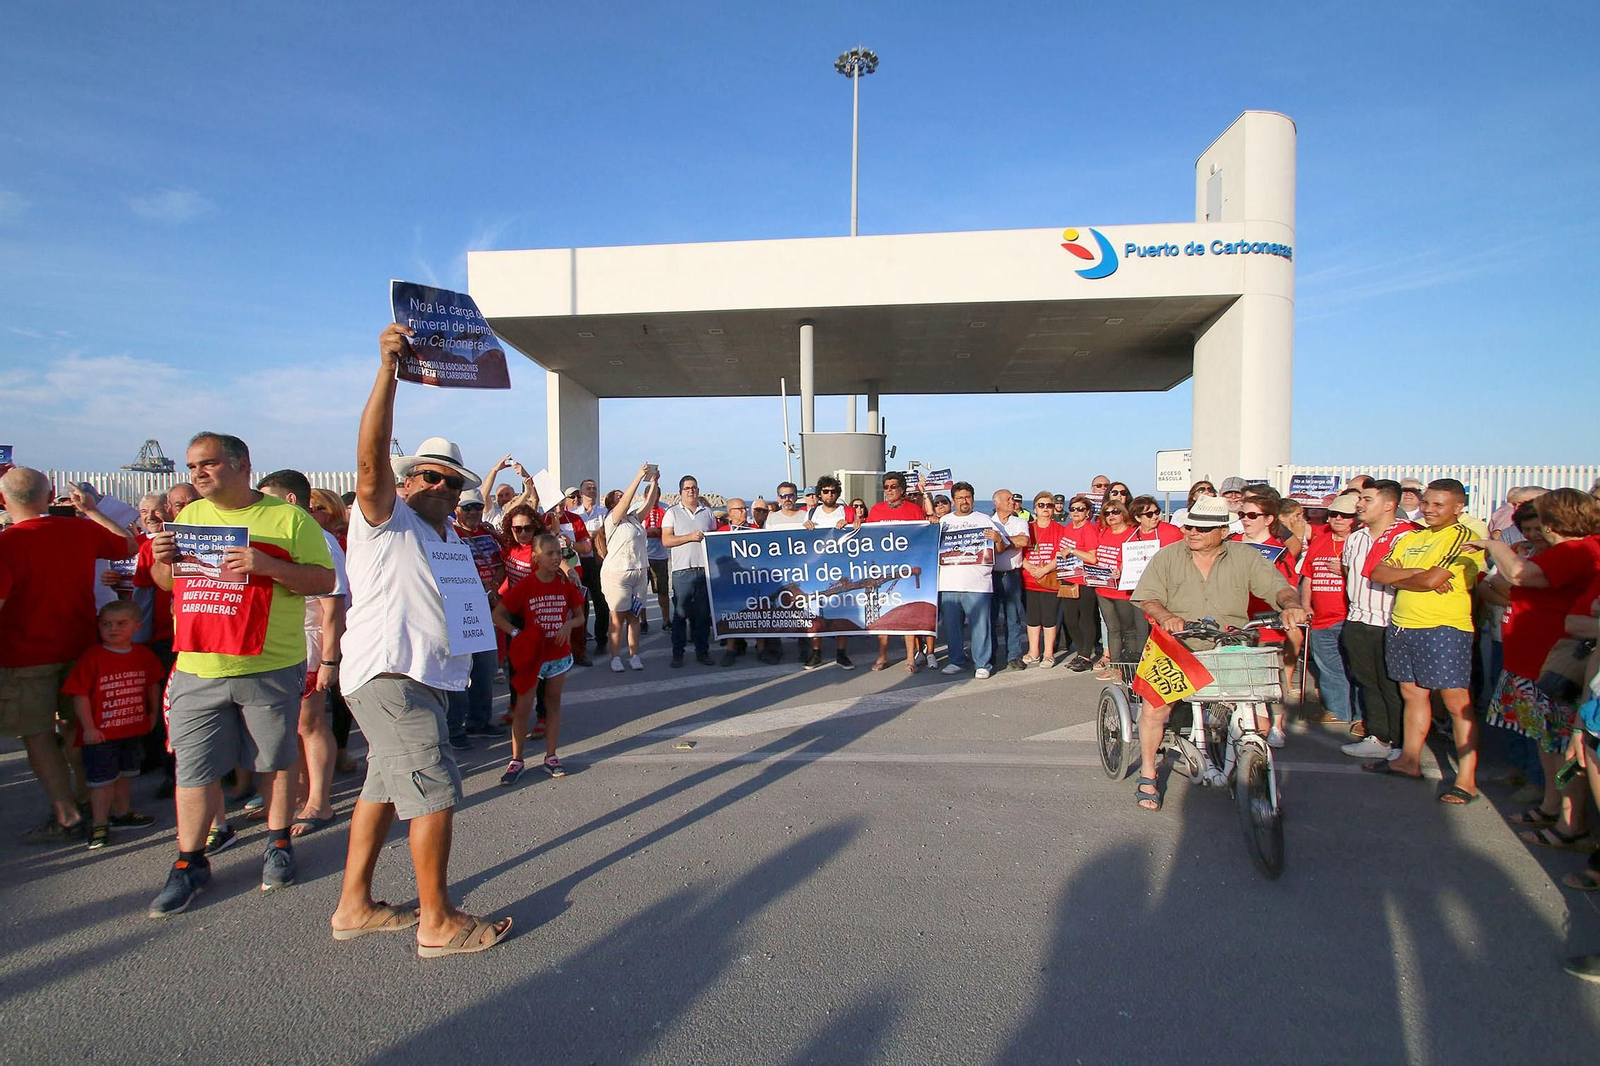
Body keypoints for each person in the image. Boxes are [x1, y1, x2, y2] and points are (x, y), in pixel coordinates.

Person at [328, 324, 511, 955]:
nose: (439, 487)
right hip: (391, 677)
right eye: (428, 476)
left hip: (423, 678)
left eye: (451, 482)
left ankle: (354, 905)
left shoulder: (449, 538)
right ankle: (437, 921)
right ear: (407, 482)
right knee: (434, 792)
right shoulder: (385, 518)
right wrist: (388, 372)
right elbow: (370, 460)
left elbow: (466, 607)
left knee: (382, 792)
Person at [145, 433, 334, 915]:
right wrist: (162, 563)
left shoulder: (289, 519)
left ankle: (278, 843)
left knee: (274, 760)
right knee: (194, 767)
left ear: (242, 464)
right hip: (197, 663)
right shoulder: (191, 516)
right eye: (192, 466)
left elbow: (324, 580)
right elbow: (168, 584)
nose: (197, 473)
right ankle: (189, 862)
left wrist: (268, 565)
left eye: (208, 463)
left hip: (269, 663)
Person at [1130, 496, 1309, 811]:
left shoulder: (1245, 556)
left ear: (1224, 531)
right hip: (1176, 644)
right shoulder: (1168, 556)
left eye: (1202, 528)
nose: (1192, 532)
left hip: (1230, 644)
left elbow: (1278, 587)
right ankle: (1148, 772)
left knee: (1260, 722)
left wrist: (1291, 605)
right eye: (1189, 526)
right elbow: (1148, 598)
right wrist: (1166, 616)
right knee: (1155, 708)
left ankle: (1250, 768)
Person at [0, 467, 137, 843]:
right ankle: (89, 801)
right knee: (76, 728)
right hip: (79, 646)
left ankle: (67, 813)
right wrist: (91, 509)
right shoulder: (79, 530)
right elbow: (127, 544)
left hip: (24, 656)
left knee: (38, 735)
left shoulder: (7, 543)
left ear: (4, 500)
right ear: (49, 497)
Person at [1474, 489, 1600, 843]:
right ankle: (1551, 806)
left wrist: (1492, 544)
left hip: (1555, 664)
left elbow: (1517, 574)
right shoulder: (1564, 551)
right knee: (1548, 743)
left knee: (1562, 748)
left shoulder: (1578, 550)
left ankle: (1571, 824)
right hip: (1534, 663)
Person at [1364, 479, 1487, 804]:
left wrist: (1409, 576)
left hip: (1443, 627)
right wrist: (1418, 574)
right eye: (1426, 503)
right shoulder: (1412, 537)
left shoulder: (1463, 537)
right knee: (1412, 694)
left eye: (1438, 504)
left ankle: (1466, 780)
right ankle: (1409, 760)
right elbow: (1377, 573)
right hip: (1403, 624)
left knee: (1456, 702)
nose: (1429, 510)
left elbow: (1433, 580)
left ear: (1458, 507)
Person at [255, 469, 350, 839]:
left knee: (310, 723)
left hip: (310, 641)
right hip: (283, 640)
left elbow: (333, 604)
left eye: (268, 499)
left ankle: (319, 802)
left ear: (291, 500)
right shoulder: (285, 534)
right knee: (291, 725)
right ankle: (296, 792)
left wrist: (329, 659)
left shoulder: (318, 539)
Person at [63, 600, 164, 850]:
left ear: (137, 626)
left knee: (126, 775)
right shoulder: (92, 657)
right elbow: (80, 695)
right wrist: (88, 728)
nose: (113, 629)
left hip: (131, 728)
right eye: (106, 624)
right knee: (102, 781)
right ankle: (99, 823)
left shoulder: (143, 654)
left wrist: (153, 714)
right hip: (102, 734)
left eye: (121, 624)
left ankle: (122, 813)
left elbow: (153, 685)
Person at [493, 532, 585, 783]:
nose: (556, 558)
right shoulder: (526, 585)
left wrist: (568, 625)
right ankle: (516, 759)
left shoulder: (565, 584)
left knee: (552, 703)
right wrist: (517, 633)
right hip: (532, 655)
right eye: (550, 553)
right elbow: (498, 615)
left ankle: (551, 756)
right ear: (536, 557)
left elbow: (580, 616)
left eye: (559, 553)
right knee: (523, 706)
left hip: (558, 654)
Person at [1338, 480, 1419, 758]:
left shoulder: (1406, 537)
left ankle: (1401, 743)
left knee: (1392, 685)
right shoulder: (1355, 538)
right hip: (1358, 619)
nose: (1359, 504)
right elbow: (1347, 572)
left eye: (1367, 499)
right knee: (1367, 682)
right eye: (1360, 498)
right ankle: (1378, 737)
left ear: (1388, 505)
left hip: (1390, 621)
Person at [1230, 492, 1301, 746]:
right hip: (1236, 618)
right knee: (1240, 674)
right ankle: (1249, 721)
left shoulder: (1278, 550)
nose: (1245, 520)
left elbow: (1289, 586)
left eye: (1252, 515)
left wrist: (1290, 607)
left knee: (1272, 675)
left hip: (1266, 619)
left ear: (1269, 519)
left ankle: (1277, 725)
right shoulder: (1232, 543)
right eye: (1242, 514)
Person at [442, 488, 506, 749]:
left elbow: (499, 565)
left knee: (485, 666)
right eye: (467, 507)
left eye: (477, 507)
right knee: (459, 671)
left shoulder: (487, 534)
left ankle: (479, 721)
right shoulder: (448, 534)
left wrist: (494, 586)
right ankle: (454, 728)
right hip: (460, 609)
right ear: (456, 509)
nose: (473, 512)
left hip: (486, 607)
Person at [307, 489, 358, 774]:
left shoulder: (344, 540)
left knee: (339, 694)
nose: (311, 512)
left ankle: (340, 749)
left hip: (343, 620)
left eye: (318, 508)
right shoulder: (307, 537)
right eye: (310, 507)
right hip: (314, 625)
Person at [936, 482, 1008, 680]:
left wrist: (998, 539)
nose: (964, 501)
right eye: (960, 498)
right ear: (953, 500)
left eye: (967, 497)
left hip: (978, 583)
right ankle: (956, 661)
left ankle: (982, 664)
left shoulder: (984, 519)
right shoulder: (944, 521)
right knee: (952, 627)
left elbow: (1000, 549)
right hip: (948, 583)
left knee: (980, 627)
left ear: (973, 499)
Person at [1298, 493, 1358, 725]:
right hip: (1321, 618)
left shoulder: (1359, 541)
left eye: (1345, 515)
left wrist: (1345, 570)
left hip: (1349, 616)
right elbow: (1308, 577)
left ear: (1355, 518)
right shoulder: (1321, 541)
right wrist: (1305, 605)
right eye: (1334, 514)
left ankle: (1361, 716)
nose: (1338, 519)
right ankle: (1338, 711)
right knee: (1329, 668)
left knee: (1356, 669)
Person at [866, 472, 932, 672]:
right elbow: (865, 537)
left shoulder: (914, 510)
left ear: (902, 489)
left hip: (907, 568)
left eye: (893, 486)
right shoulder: (876, 510)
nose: (889, 490)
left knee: (907, 613)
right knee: (881, 613)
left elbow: (924, 534)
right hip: (881, 568)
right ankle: (882, 656)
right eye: (886, 487)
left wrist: (932, 519)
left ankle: (910, 658)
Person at [802, 475, 864, 670]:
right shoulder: (811, 513)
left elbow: (860, 533)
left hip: (842, 567)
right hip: (817, 569)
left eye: (834, 491)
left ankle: (841, 653)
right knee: (816, 612)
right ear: (820, 494)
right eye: (826, 491)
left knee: (841, 611)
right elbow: (801, 541)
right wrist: (805, 527)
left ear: (838, 493)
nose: (830, 494)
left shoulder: (847, 511)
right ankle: (816, 653)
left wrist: (852, 524)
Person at [601, 464, 659, 672]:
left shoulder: (634, 519)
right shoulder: (612, 519)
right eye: (617, 496)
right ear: (612, 504)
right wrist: (638, 476)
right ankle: (615, 656)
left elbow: (649, 503)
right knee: (617, 618)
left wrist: (654, 482)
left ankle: (635, 655)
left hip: (639, 571)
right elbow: (627, 500)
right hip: (618, 574)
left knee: (634, 616)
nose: (622, 497)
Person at [660, 475, 718, 668]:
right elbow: (666, 540)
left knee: (702, 616)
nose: (691, 491)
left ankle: (703, 652)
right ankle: (678, 653)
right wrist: (689, 537)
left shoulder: (707, 513)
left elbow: (714, 539)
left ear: (698, 490)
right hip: (682, 571)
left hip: (704, 571)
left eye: (694, 487)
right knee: (680, 615)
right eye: (687, 488)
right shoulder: (672, 513)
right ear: (681, 492)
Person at [1021, 491, 1067, 667]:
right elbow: (1019, 552)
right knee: (1032, 618)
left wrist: (1045, 569)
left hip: (1050, 580)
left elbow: (1061, 554)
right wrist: (1030, 567)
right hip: (1029, 580)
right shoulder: (1027, 527)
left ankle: (1048, 653)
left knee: (1049, 618)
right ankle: (1033, 651)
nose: (1045, 508)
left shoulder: (1059, 529)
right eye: (1041, 505)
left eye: (1049, 505)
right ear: (1035, 508)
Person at [1057, 494, 1102, 671]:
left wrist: (1073, 550)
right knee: (1070, 620)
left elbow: (1093, 557)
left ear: (1088, 512)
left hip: (1084, 580)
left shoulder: (1089, 529)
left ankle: (1085, 655)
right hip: (1068, 578)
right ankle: (1082, 650)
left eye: (1080, 509)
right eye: (1073, 509)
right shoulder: (1069, 528)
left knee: (1086, 619)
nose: (1076, 512)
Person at [989, 489, 1031, 672]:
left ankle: (1013, 655)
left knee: (1013, 618)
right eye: (1007, 499)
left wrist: (1000, 541)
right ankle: (990, 655)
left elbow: (1024, 541)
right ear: (996, 503)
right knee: (990, 617)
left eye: (1013, 499)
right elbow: (988, 547)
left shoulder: (1020, 521)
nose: (1012, 501)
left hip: (1012, 575)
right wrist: (1008, 543)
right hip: (992, 575)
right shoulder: (988, 522)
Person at [576, 477, 611, 655]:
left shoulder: (604, 513)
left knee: (601, 604)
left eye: (594, 488)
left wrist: (593, 535)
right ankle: (580, 642)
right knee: (580, 605)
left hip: (598, 562)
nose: (592, 490)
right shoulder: (574, 514)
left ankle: (601, 639)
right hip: (578, 563)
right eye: (588, 488)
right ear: (581, 492)